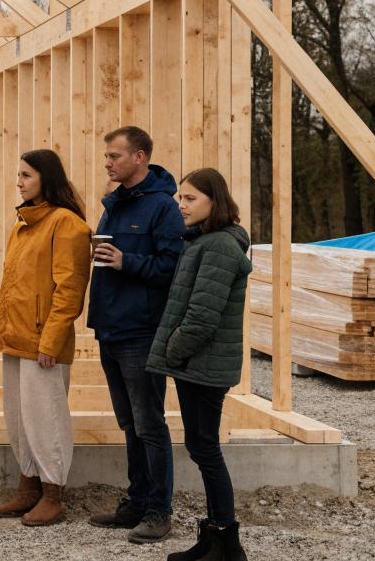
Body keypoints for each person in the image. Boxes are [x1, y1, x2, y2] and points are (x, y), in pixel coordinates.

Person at [87, 126, 186, 544]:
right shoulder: (115, 204)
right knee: (129, 423)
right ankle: (137, 501)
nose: (107, 163)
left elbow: (171, 268)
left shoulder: (163, 208)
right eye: (107, 156)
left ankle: (159, 511)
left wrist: (128, 260)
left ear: (140, 157)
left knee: (149, 424)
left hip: (141, 332)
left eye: (115, 156)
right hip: (111, 328)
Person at [147, 168, 251, 561]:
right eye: (180, 198)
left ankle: (226, 542)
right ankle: (213, 537)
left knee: (206, 448)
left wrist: (173, 351)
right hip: (197, 364)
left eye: (190, 198)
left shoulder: (220, 247)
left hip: (203, 365)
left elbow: (202, 317)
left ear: (214, 200)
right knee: (200, 444)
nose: (181, 205)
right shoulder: (204, 242)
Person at [0, 149, 92, 527]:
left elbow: (70, 290)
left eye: (26, 175)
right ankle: (28, 487)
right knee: (19, 417)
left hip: (43, 342)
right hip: (17, 337)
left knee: (46, 418)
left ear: (47, 178)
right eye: (19, 175)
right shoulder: (22, 225)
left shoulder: (67, 225)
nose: (19, 181)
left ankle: (52, 494)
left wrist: (50, 341)